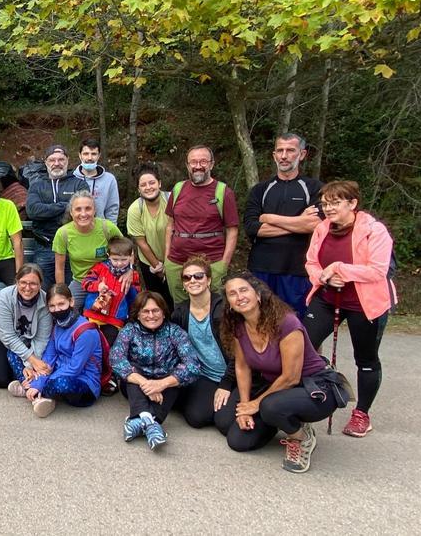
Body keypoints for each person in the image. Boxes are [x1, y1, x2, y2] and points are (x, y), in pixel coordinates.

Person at [215, 273, 349, 473]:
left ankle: (302, 437)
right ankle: (280, 420)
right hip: (275, 388)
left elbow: (291, 377)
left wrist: (255, 404)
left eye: (244, 290)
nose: (239, 297)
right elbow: (242, 367)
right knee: (233, 433)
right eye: (232, 294)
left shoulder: (286, 323)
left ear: (258, 295)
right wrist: (244, 405)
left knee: (270, 406)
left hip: (313, 387)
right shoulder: (239, 326)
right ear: (230, 303)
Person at [303, 180, 395, 438]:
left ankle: (362, 414)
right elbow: (311, 262)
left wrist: (339, 269)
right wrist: (324, 277)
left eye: (335, 203)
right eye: (325, 203)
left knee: (365, 358)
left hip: (365, 303)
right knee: (302, 343)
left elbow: (378, 270)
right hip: (327, 296)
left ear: (352, 203)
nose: (328, 208)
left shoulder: (374, 231)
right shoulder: (322, 228)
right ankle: (312, 392)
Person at [110, 291, 201, 450]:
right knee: (133, 371)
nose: (151, 315)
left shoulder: (175, 332)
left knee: (175, 375)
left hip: (166, 388)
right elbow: (116, 358)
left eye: (155, 310)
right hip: (136, 386)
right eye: (145, 311)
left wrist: (162, 384)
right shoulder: (129, 330)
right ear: (137, 314)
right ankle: (151, 423)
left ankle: (140, 420)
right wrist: (146, 383)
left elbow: (192, 364)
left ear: (164, 313)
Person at [244, 133, 322, 317]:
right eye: (280, 150)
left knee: (297, 325)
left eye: (290, 150)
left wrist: (269, 218)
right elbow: (252, 227)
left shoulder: (314, 188)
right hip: (262, 268)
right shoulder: (260, 190)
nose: (284, 155)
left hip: (299, 270)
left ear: (302, 154)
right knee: (260, 321)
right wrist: (299, 221)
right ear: (274, 155)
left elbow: (315, 225)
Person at [15, 283, 104, 417]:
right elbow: (50, 356)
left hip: (83, 384)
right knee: (14, 354)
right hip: (56, 373)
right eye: (52, 306)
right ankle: (39, 393)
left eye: (61, 304)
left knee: (61, 384)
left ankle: (32, 389)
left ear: (71, 302)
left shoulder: (86, 331)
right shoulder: (57, 326)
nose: (57, 309)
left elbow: (75, 368)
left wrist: (42, 382)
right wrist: (40, 377)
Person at [163, 145, 239, 303]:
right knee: (180, 310)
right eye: (193, 162)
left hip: (211, 263)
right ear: (187, 165)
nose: (198, 166)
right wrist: (167, 259)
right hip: (177, 262)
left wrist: (224, 264)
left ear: (211, 164)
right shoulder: (178, 189)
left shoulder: (223, 192)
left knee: (213, 310)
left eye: (203, 161)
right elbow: (170, 225)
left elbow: (232, 230)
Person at [169, 256, 234, 428]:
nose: (192, 280)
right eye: (187, 277)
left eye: (198, 276)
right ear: (183, 284)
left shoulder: (224, 310)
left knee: (225, 424)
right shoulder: (180, 313)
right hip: (204, 375)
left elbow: (239, 353)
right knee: (197, 418)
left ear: (209, 280)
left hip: (233, 374)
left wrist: (226, 384)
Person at [26, 144, 87, 291]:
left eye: (61, 159)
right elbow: (33, 211)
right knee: (42, 292)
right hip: (44, 246)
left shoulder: (79, 184)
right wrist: (65, 205)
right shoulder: (37, 186)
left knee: (70, 292)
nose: (57, 163)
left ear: (67, 161)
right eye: (52, 160)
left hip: (72, 248)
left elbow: (82, 212)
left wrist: (48, 210)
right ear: (46, 162)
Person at [52, 191, 124, 309]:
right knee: (66, 310)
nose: (83, 213)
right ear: (71, 212)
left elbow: (127, 250)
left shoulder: (107, 228)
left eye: (88, 208)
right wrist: (62, 294)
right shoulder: (63, 233)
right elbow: (59, 268)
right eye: (78, 209)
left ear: (94, 210)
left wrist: (129, 271)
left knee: (105, 313)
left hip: (107, 281)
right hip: (80, 282)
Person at [0, 264, 51, 389]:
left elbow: (42, 339)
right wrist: (32, 360)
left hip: (29, 339)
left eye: (33, 283)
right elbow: (9, 336)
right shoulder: (4, 296)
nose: (27, 288)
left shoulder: (46, 301)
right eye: (23, 282)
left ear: (40, 284)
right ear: (16, 282)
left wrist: (29, 366)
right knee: (1, 380)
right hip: (2, 336)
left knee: (24, 373)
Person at [81, 236, 143, 348]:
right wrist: (98, 286)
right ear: (109, 256)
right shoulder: (100, 267)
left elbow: (135, 298)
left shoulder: (133, 276)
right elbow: (86, 282)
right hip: (93, 314)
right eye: (115, 260)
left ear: (131, 257)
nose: (119, 263)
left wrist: (130, 289)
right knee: (88, 344)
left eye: (124, 260)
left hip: (115, 319)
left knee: (108, 347)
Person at [126, 163, 173, 303]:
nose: (148, 187)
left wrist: (169, 265)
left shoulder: (172, 200)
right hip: (150, 262)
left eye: (152, 183)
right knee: (159, 301)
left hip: (175, 259)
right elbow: (141, 242)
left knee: (179, 299)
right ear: (139, 189)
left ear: (159, 183)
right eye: (143, 185)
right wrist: (158, 268)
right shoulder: (135, 209)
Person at [72, 139, 120, 223]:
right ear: (80, 155)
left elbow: (112, 209)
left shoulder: (109, 179)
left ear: (99, 156)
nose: (90, 158)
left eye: (93, 154)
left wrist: (111, 231)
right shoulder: (71, 178)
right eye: (86, 154)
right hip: (75, 230)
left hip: (101, 230)